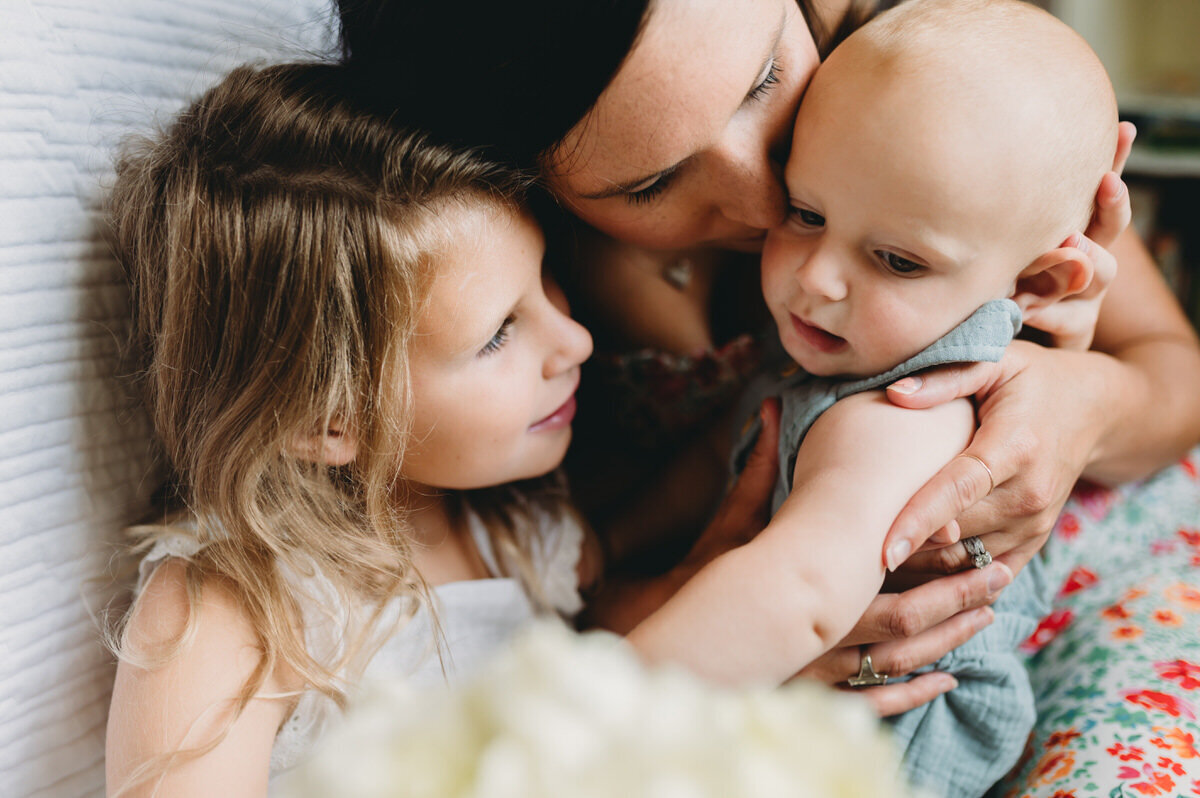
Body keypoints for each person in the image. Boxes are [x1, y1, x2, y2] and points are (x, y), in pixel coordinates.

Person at [336, 0, 1200, 712]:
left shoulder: (942, 95)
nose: (764, 196)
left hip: (1083, 598)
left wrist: (1080, 401)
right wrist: (653, 626)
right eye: (650, 183)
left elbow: (1177, 372)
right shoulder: (469, 261)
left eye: (762, 81)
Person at [103, 62, 601, 794]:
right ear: (329, 420)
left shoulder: (515, 535)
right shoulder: (234, 607)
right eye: (499, 335)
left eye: (546, 275)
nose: (577, 341)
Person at [718, 1, 1115, 793]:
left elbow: (802, 592)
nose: (817, 277)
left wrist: (604, 684)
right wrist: (611, 550)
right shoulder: (843, 342)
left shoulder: (909, 410)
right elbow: (721, 464)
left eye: (897, 261)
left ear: (1036, 282)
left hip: (891, 738)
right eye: (805, 213)